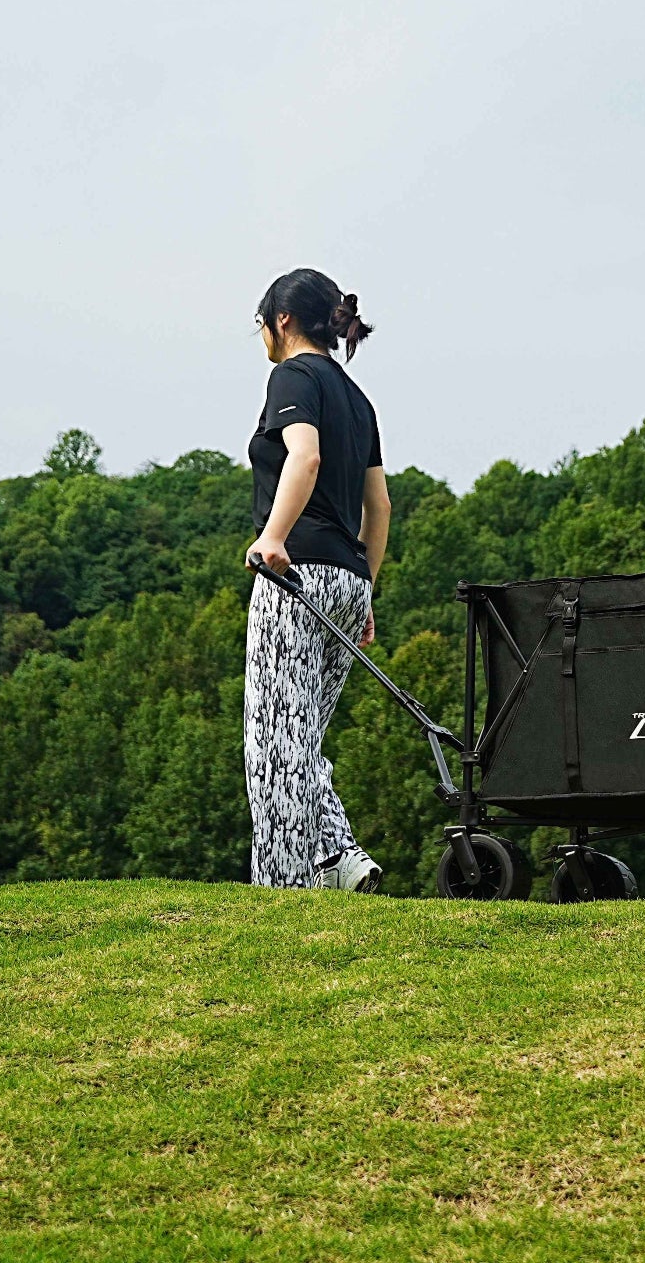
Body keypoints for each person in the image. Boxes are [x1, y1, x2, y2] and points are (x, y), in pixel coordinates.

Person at [243, 267, 392, 893]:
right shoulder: (358, 399)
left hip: (294, 577)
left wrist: (272, 537)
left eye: (260, 325)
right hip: (348, 583)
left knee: (272, 741)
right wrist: (367, 595)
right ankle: (340, 860)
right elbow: (379, 506)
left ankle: (284, 889)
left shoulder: (293, 375)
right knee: (300, 735)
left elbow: (304, 456)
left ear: (282, 321)